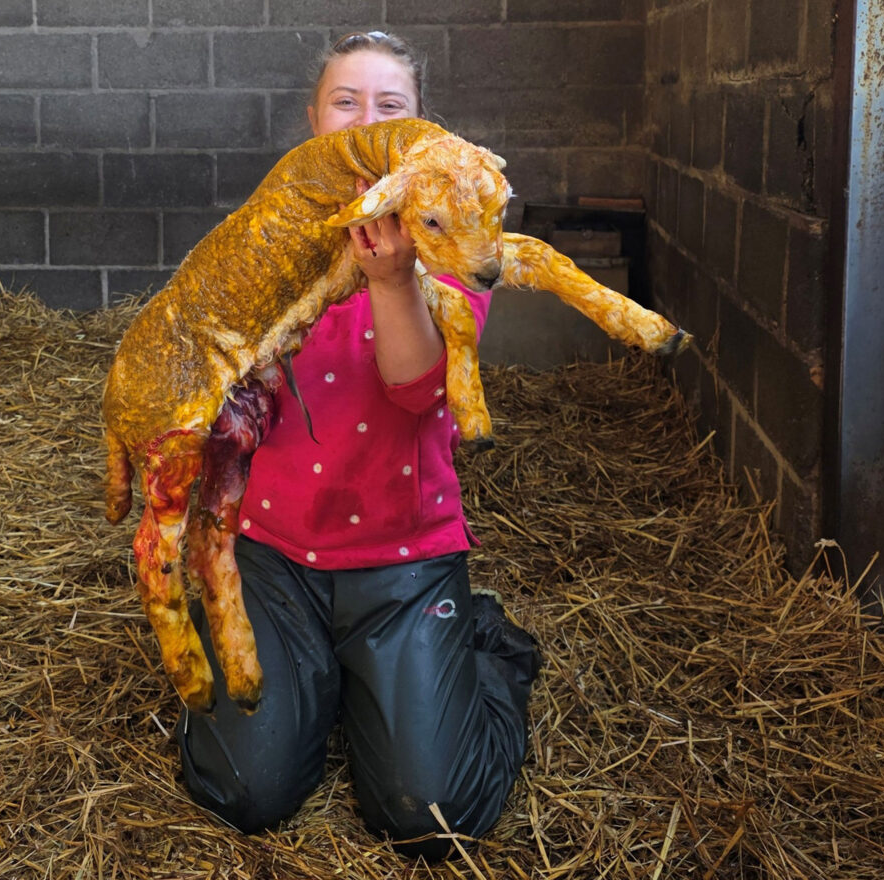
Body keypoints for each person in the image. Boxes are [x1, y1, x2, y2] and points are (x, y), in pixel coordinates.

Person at [175, 30, 540, 861]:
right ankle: (328, 679)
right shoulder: (267, 234)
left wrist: (390, 281)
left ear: (419, 130)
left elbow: (417, 389)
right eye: (346, 102)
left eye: (390, 106)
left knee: (429, 811)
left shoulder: (449, 236)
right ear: (315, 122)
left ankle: (481, 655)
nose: (365, 120)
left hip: (401, 559)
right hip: (273, 551)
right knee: (243, 792)